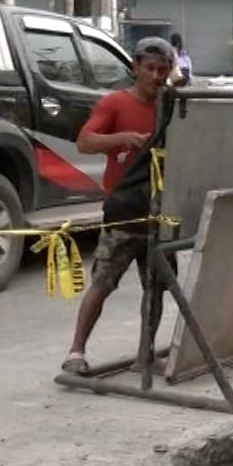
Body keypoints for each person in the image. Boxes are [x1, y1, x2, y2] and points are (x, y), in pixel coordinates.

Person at [61, 37, 177, 376]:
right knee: (104, 282)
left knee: (156, 287)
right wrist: (122, 139)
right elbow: (85, 142)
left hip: (161, 211)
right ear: (135, 68)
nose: (156, 76)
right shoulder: (114, 103)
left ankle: (145, 356)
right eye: (149, 69)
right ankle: (76, 352)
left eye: (162, 70)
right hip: (124, 210)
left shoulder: (172, 106)